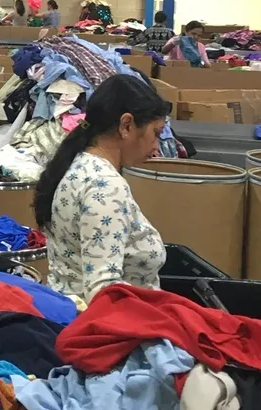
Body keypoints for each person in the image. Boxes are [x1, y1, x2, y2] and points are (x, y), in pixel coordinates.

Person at [32, 74, 171, 302]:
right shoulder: (105, 187)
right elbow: (104, 291)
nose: (156, 147)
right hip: (104, 325)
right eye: (155, 133)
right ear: (126, 125)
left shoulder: (77, 164)